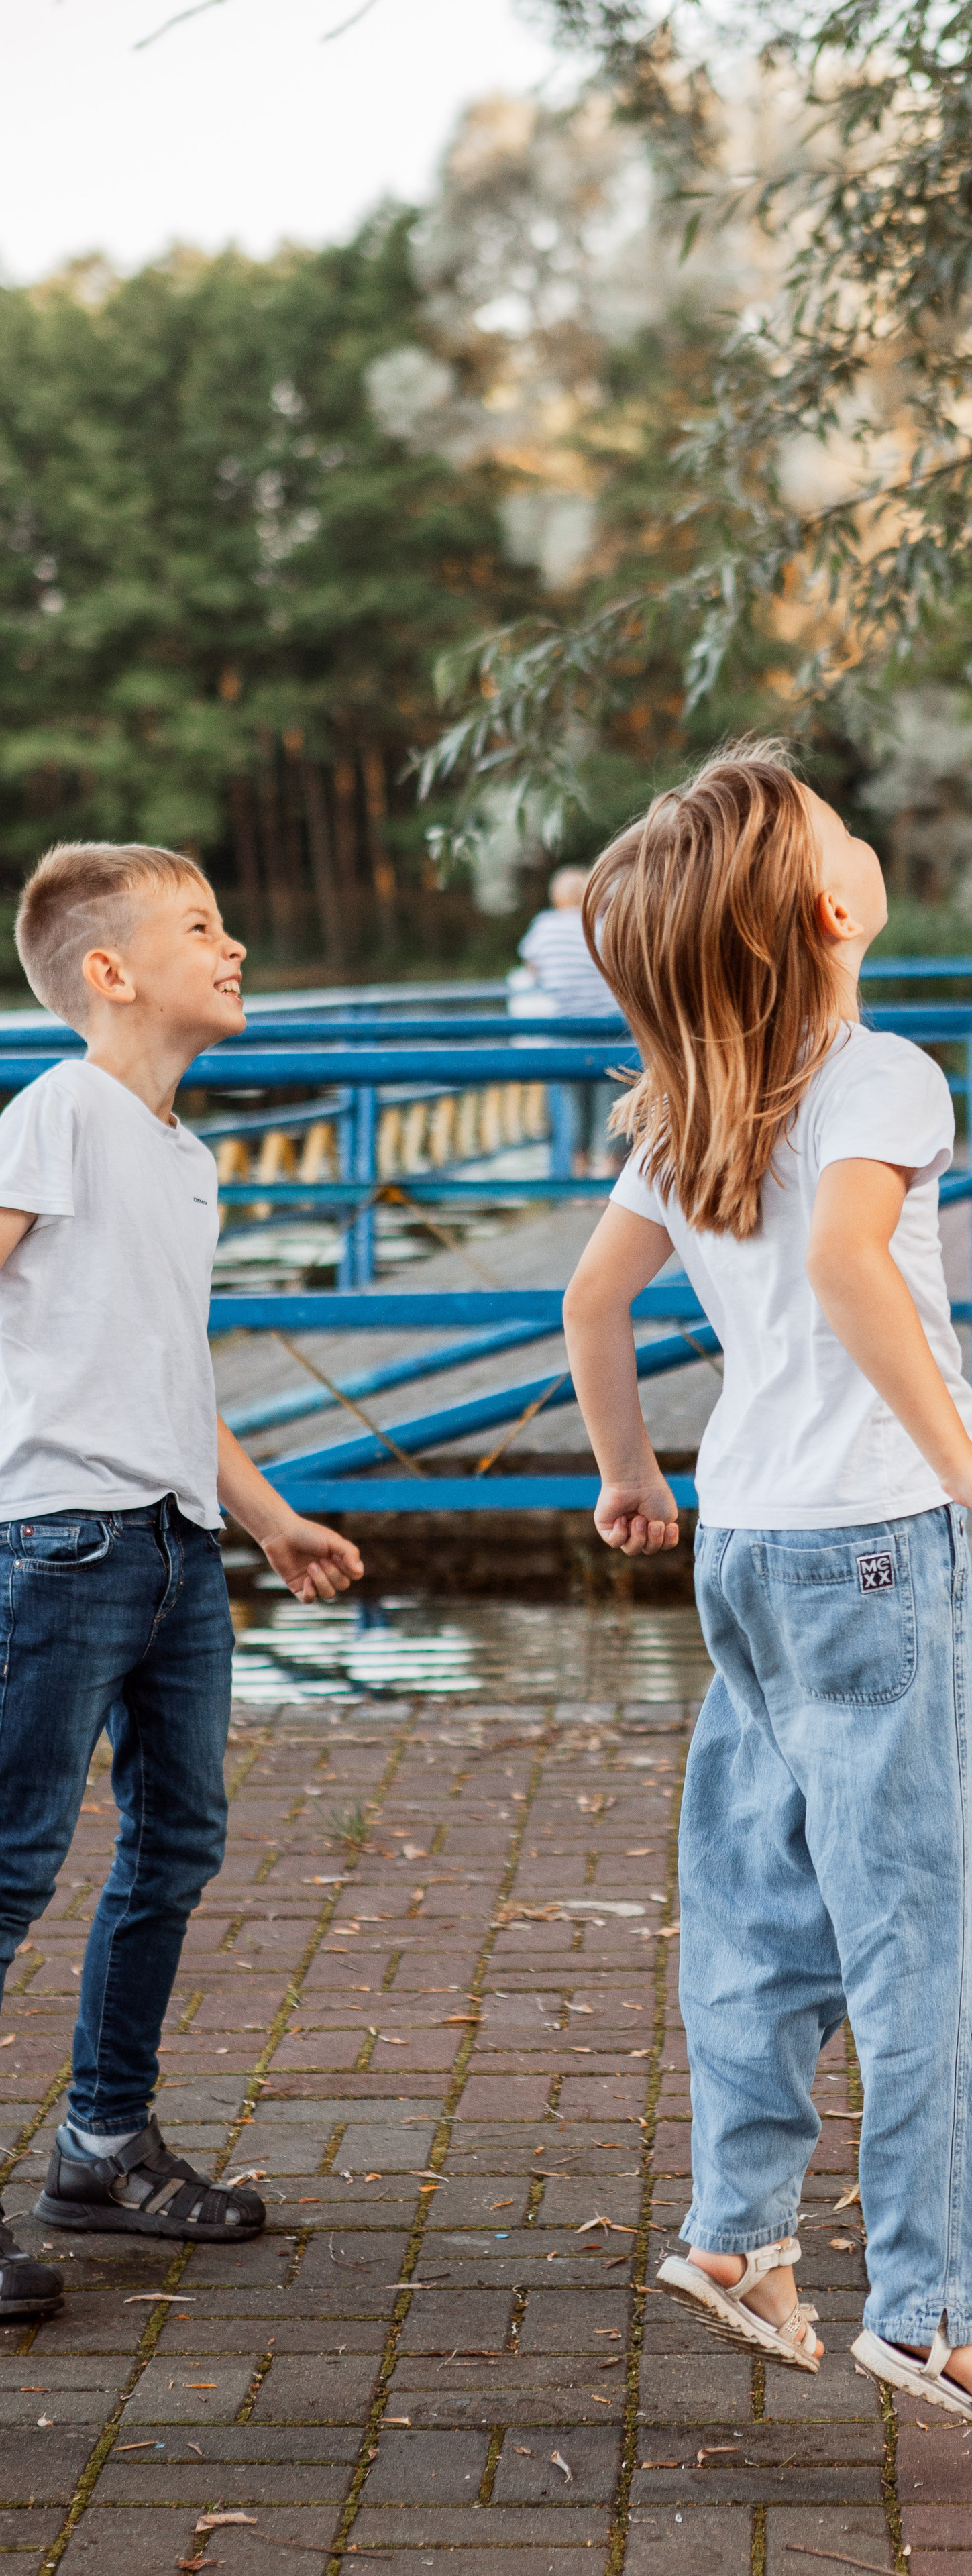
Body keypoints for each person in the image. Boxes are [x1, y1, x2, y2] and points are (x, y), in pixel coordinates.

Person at [561, 745, 972, 2428]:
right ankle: (932, 2311)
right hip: (869, 1543)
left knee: (767, 1906)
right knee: (921, 1936)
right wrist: (967, 1463)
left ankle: (736, 2231)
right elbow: (847, 1260)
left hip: (749, 1544)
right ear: (834, 906)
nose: (860, 840)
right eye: (845, 830)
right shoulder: (880, 1073)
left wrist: (628, 1473)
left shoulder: (695, 1101)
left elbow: (591, 1303)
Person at [0, 841, 363, 2321]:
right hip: (57, 1547)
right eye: (202, 929)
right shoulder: (60, 1113)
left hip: (170, 1547)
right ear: (110, 971)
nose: (237, 950)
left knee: (175, 1845)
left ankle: (102, 2145)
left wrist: (268, 1519)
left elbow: (168, 1370)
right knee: (11, 1868)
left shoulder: (182, 1154)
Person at [515, 862, 622, 1177]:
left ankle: (577, 1174)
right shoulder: (602, 927)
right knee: (612, 1105)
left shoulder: (544, 926)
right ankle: (607, 1173)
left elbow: (531, 965)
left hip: (565, 1029)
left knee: (573, 1108)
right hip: (610, 1029)